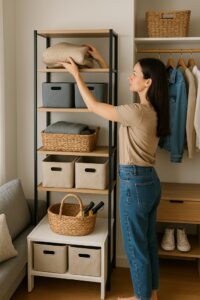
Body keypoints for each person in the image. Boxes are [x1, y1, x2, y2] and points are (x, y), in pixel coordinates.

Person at [59, 45, 170, 300]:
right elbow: (123, 86)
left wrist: (76, 75)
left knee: (135, 247)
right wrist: (100, 60)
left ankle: (141, 298)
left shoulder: (136, 112)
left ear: (147, 82)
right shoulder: (153, 110)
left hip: (135, 185)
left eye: (134, 74)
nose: (130, 77)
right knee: (148, 243)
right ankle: (150, 295)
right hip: (149, 183)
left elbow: (94, 106)